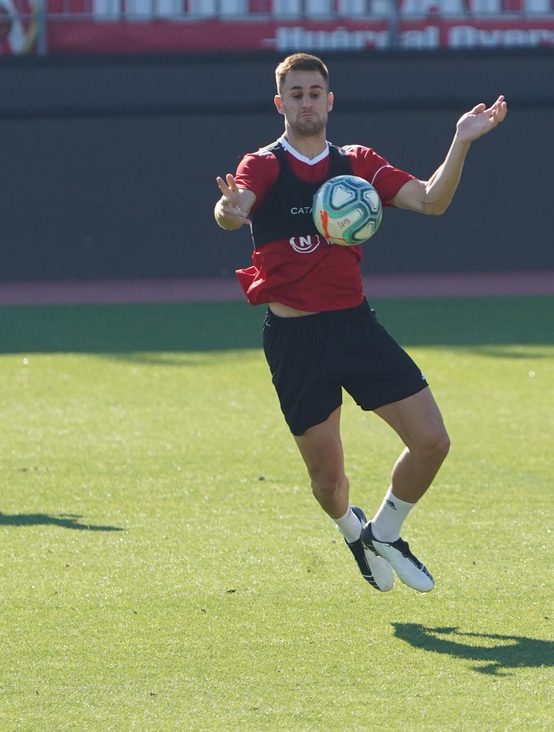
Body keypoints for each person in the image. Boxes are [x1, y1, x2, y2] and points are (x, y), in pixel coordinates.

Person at [214, 53, 507, 593]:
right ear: (281, 104)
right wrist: (230, 210)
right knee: (328, 482)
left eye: (315, 92)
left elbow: (430, 200)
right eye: (296, 94)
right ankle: (354, 532)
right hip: (295, 341)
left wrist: (462, 140)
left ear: (330, 100)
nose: (307, 102)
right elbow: (235, 209)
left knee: (433, 442)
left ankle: (387, 531)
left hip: (355, 327)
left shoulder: (357, 163)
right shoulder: (264, 165)